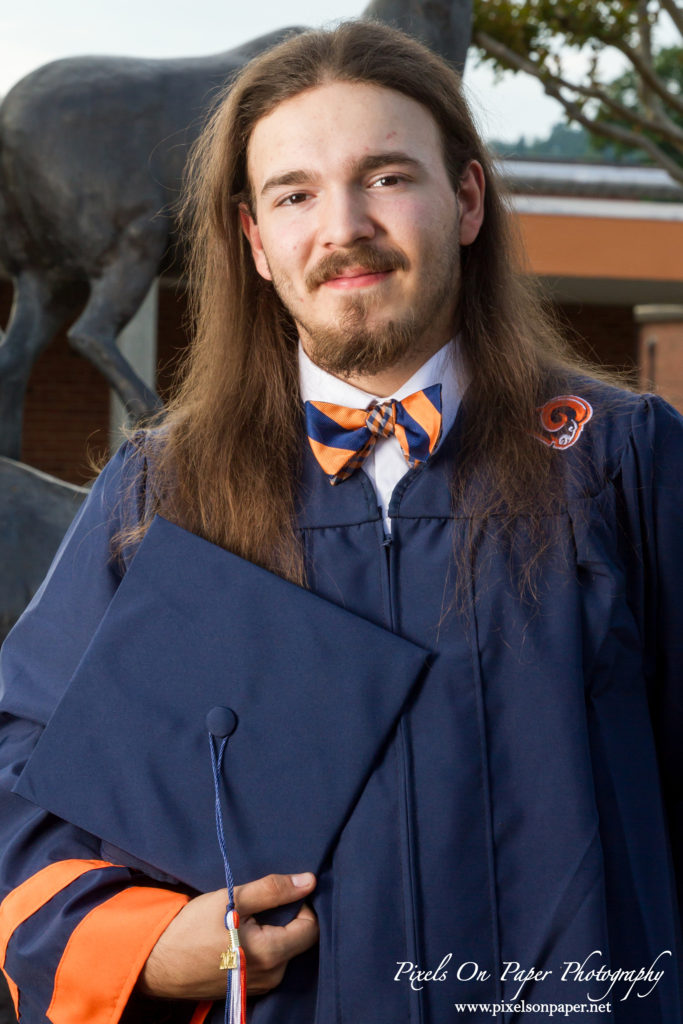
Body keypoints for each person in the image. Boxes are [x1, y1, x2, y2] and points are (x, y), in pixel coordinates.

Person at [1, 19, 682, 1024]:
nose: (343, 226)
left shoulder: (616, 461)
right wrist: (144, 943)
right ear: (255, 242)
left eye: (386, 177)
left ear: (463, 201)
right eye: (294, 194)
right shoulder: (160, 495)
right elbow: (24, 790)